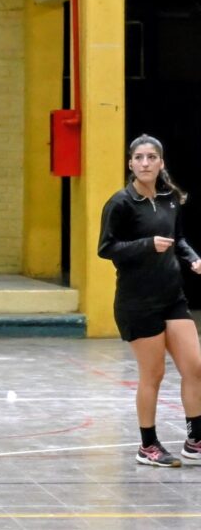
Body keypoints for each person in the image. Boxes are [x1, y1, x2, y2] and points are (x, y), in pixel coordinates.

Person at [98, 134, 201, 467]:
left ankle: (195, 441)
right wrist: (146, 244)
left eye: (151, 157)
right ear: (130, 163)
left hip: (172, 297)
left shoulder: (170, 199)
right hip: (137, 302)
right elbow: (106, 248)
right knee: (153, 374)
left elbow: (178, 239)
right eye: (139, 157)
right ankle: (148, 445)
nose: (145, 163)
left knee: (195, 367)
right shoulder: (120, 203)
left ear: (161, 162)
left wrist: (193, 258)